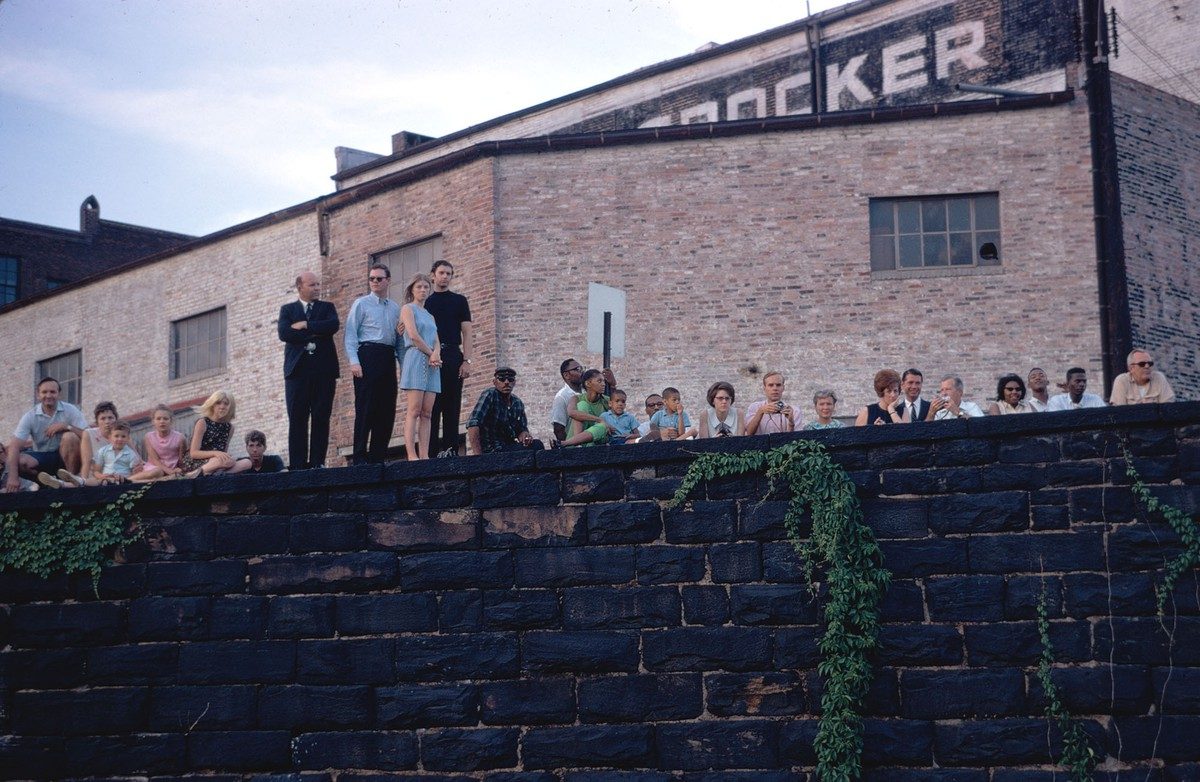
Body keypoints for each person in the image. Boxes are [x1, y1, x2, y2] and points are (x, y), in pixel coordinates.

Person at [278, 270, 340, 470]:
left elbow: (332, 325)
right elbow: (285, 333)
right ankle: (297, 465)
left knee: (321, 416)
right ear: (300, 287)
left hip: (324, 371)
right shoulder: (288, 310)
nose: (317, 288)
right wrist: (315, 333)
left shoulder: (327, 307)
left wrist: (306, 325)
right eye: (312, 285)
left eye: (318, 285)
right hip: (297, 372)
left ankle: (317, 463)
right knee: (297, 418)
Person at [345, 263, 403, 464]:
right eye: (372, 279)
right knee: (365, 407)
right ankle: (359, 456)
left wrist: (404, 367)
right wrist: (354, 362)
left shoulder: (395, 308)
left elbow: (400, 341)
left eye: (379, 278)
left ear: (388, 280)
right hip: (367, 355)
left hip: (387, 357)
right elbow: (351, 334)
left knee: (387, 409)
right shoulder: (361, 304)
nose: (375, 282)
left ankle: (378, 456)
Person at [4, 377, 87, 493]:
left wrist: (67, 427)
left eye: (52, 392)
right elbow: (14, 445)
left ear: (59, 394)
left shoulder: (71, 410)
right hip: (44, 458)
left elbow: (88, 436)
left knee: (70, 437)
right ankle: (46, 483)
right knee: (20, 461)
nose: (48, 395)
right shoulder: (30, 416)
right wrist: (13, 477)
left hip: (69, 458)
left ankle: (71, 483)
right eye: (44, 392)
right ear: (38, 395)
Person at [425, 260, 474, 458]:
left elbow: (467, 333)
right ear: (433, 275)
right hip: (430, 356)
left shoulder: (459, 301)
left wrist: (467, 361)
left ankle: (451, 451)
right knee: (431, 406)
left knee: (452, 406)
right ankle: (429, 453)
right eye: (442, 273)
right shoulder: (426, 302)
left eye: (449, 273)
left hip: (453, 355)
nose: (445, 276)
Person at [399, 273, 443, 460]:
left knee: (427, 412)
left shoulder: (430, 316)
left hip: (432, 363)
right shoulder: (408, 309)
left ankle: (424, 454)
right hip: (416, 357)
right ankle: (411, 453)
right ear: (412, 289)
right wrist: (431, 353)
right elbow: (413, 335)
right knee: (414, 409)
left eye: (426, 287)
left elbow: (436, 340)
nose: (423, 290)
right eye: (419, 287)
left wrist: (436, 353)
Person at [42, 419, 143, 488]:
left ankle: (67, 483)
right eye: (116, 436)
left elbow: (136, 473)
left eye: (123, 437)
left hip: (122, 480)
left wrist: (123, 477)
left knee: (100, 482)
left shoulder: (131, 454)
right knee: (96, 480)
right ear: (110, 437)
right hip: (105, 478)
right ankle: (62, 483)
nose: (119, 439)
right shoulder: (103, 451)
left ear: (128, 438)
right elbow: (96, 472)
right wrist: (102, 476)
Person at [466, 367, 543, 454]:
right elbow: (473, 424)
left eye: (510, 379)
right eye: (502, 379)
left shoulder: (517, 403)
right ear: (495, 382)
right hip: (492, 450)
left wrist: (525, 436)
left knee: (537, 445)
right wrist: (478, 457)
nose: (506, 382)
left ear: (514, 382)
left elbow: (522, 429)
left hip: (509, 447)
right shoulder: (490, 395)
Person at [551, 358, 617, 442]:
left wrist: (613, 385)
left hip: (596, 440)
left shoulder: (590, 393)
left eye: (582, 369)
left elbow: (617, 408)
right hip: (573, 441)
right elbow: (559, 428)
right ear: (566, 375)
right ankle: (576, 443)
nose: (582, 372)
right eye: (578, 369)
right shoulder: (562, 397)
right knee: (582, 405)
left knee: (601, 427)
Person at [181, 390, 238, 478]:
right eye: (218, 403)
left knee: (247, 463)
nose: (222, 406)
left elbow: (224, 453)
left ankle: (213, 473)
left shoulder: (230, 428)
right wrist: (215, 453)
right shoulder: (203, 422)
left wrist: (222, 457)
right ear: (212, 405)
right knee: (222, 461)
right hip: (196, 461)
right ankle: (193, 474)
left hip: (217, 462)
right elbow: (193, 453)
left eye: (226, 404)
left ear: (231, 407)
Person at [129, 404, 187, 481]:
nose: (162, 421)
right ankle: (127, 480)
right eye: (158, 419)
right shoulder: (149, 437)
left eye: (165, 419)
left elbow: (181, 459)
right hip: (155, 468)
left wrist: (179, 470)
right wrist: (170, 472)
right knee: (157, 472)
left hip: (173, 468)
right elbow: (155, 460)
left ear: (171, 421)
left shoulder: (180, 438)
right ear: (153, 421)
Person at [1110, 349, 1176, 405]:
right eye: (1142, 364)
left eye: (1150, 364)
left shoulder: (1159, 378)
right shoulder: (1122, 381)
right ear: (1131, 368)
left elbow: (1168, 408)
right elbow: (1119, 413)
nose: (1147, 366)